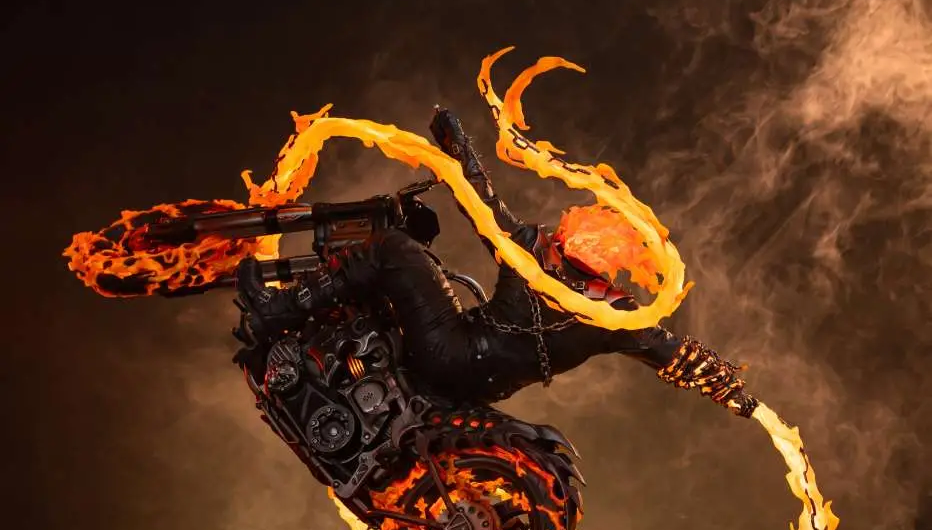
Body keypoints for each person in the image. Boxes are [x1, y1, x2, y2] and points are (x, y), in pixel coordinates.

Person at [235, 109, 757, 418]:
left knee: (396, 250)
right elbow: (481, 203)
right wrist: (457, 149)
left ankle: (277, 309)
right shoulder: (582, 289)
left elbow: (674, 353)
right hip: (473, 379)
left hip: (452, 353)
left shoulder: (607, 310)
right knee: (406, 256)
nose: (582, 231)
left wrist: (732, 391)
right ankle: (310, 321)